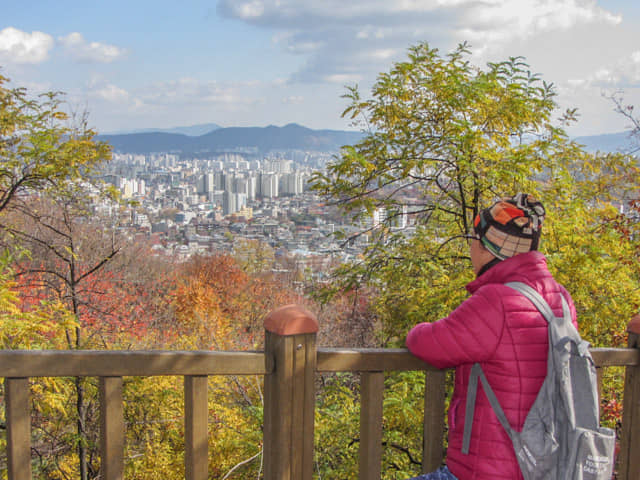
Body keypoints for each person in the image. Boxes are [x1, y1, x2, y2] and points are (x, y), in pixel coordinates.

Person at [406, 193, 577, 480]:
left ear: (488, 249)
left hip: (486, 470)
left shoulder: (495, 301)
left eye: (474, 239)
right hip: (545, 466)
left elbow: (426, 343)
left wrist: (416, 327)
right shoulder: (561, 298)